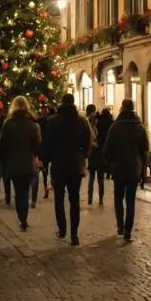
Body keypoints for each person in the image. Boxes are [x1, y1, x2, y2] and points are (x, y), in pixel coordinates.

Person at [43, 94, 91, 245]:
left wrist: (48, 159)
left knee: (59, 198)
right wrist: (82, 156)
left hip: (58, 164)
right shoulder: (82, 121)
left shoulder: (52, 121)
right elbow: (87, 142)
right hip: (75, 164)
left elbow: (47, 143)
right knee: (74, 198)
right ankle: (74, 233)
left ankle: (62, 228)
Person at [103, 99, 148, 242]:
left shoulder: (115, 126)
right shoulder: (140, 127)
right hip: (134, 167)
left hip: (118, 168)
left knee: (118, 198)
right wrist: (143, 169)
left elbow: (107, 149)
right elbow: (144, 150)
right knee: (130, 200)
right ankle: (128, 231)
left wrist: (110, 164)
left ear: (122, 108)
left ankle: (120, 225)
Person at [0, 96, 41, 232]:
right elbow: (37, 146)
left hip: (14, 164)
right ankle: (24, 217)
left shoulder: (8, 123)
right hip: (28, 163)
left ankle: (22, 218)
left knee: (18, 192)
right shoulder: (32, 125)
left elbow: (2, 145)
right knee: (25, 191)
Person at [85, 104, 105, 206]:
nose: (95, 121)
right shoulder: (94, 129)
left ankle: (96, 198)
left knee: (96, 178)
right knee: (95, 178)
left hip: (96, 154)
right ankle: (93, 198)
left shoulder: (93, 128)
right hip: (96, 154)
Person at [37, 105, 51, 199]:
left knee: (42, 169)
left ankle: (46, 187)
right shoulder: (50, 121)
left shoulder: (39, 121)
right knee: (45, 169)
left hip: (42, 147)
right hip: (47, 146)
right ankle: (47, 187)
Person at [97, 108, 114, 179]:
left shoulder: (100, 120)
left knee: (102, 155)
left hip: (101, 141)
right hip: (109, 140)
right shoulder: (111, 120)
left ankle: (102, 170)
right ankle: (108, 173)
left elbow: (97, 129)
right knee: (109, 156)